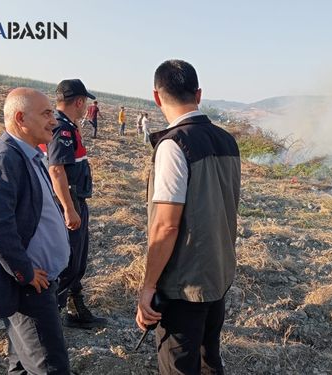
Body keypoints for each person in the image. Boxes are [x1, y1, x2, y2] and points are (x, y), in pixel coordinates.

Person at [136, 59, 241, 374]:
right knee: (211, 360)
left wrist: (148, 286)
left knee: (180, 365)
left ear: (157, 97)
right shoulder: (227, 140)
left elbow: (166, 225)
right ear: (198, 94)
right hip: (218, 274)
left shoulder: (173, 146)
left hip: (184, 285)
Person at [0, 88, 71, 374]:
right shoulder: (5, 158)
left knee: (21, 365)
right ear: (20, 118)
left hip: (38, 283)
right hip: (27, 289)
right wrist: (25, 272)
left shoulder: (29, 155)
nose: (53, 120)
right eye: (45, 114)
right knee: (51, 367)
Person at [40, 79, 107, 329]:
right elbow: (56, 170)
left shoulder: (67, 125)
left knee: (77, 258)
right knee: (67, 260)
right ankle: (53, 318)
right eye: (85, 102)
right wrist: (69, 209)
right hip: (68, 201)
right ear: (79, 101)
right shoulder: (62, 129)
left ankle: (75, 308)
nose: (86, 106)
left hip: (74, 199)